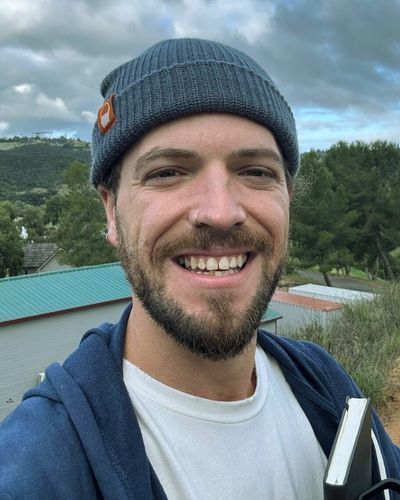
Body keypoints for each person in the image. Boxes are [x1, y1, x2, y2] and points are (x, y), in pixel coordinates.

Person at [0, 38, 399, 499]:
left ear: (288, 199)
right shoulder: (38, 469)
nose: (220, 211)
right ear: (111, 210)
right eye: (167, 172)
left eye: (256, 171)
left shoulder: (322, 380)